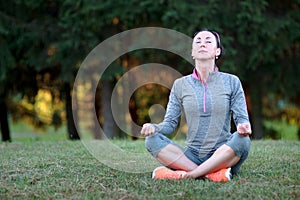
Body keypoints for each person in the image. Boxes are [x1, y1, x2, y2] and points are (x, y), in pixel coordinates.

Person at [140, 29, 251, 182]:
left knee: (243, 140)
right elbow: (170, 124)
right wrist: (155, 128)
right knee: (152, 140)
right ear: (192, 52)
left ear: (217, 51)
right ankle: (211, 174)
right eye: (198, 42)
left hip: (222, 153)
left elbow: (242, 120)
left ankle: (189, 174)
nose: (202, 44)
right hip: (191, 156)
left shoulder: (232, 82)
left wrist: (243, 127)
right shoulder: (180, 85)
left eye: (208, 41)